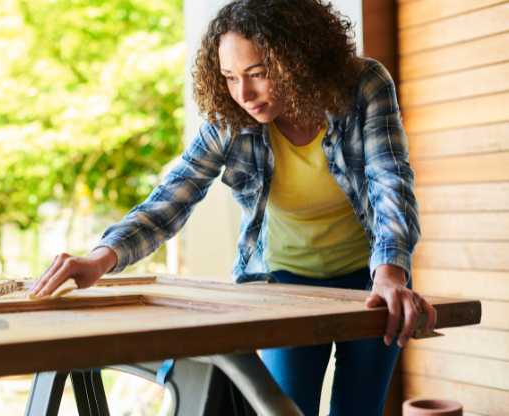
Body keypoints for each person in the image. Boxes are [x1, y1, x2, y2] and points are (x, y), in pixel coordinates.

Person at [29, 0, 437, 414]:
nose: (244, 94)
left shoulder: (363, 84)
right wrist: (101, 258)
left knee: (359, 410)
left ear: (300, 57)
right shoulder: (231, 117)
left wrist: (389, 273)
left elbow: (390, 180)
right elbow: (176, 193)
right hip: (286, 285)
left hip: (372, 281)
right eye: (230, 77)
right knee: (285, 409)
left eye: (258, 74)